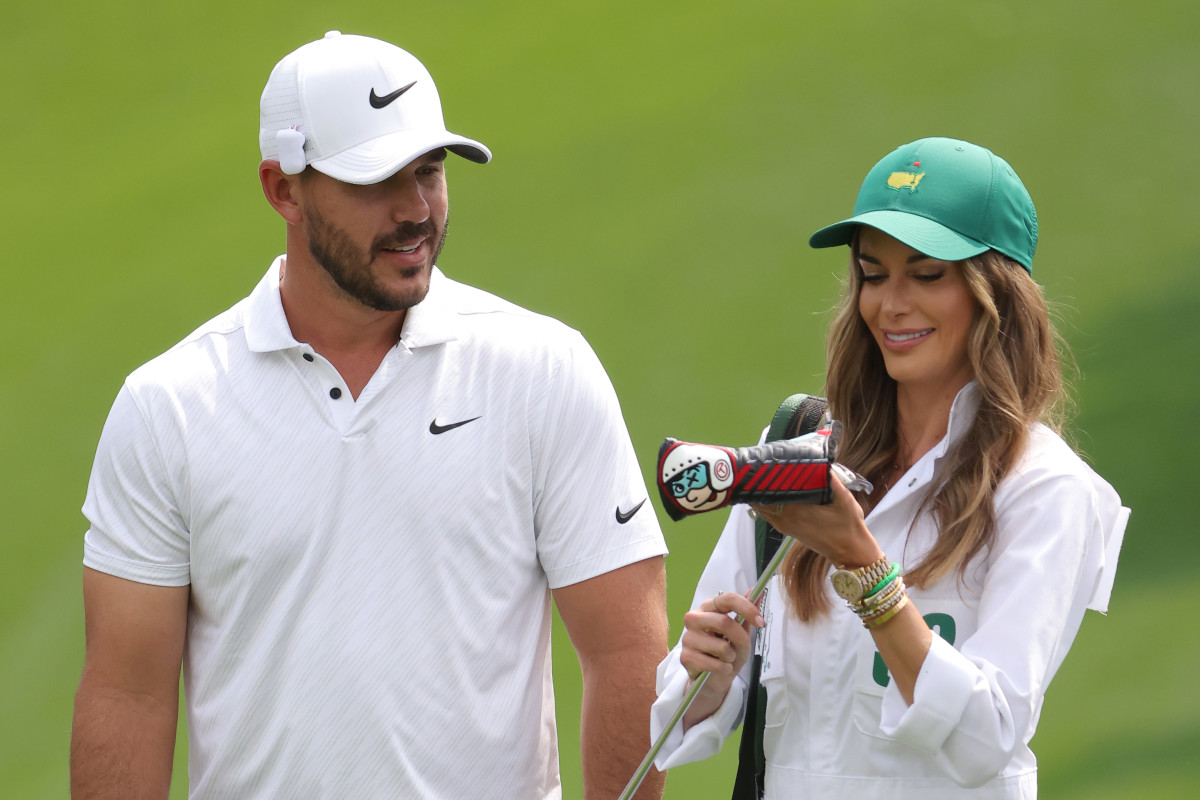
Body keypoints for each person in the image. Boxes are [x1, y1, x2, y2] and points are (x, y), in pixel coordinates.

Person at [70, 31, 669, 799]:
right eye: (376, 179)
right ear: (284, 189)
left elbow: (625, 651)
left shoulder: (543, 370)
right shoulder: (168, 409)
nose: (416, 210)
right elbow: (127, 694)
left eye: (430, 171)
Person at [649, 137, 1128, 798]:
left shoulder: (1048, 490)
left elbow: (985, 738)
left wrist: (864, 568)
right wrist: (708, 668)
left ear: (996, 292)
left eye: (926, 274)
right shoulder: (795, 443)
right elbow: (680, 718)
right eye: (873, 274)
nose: (890, 304)